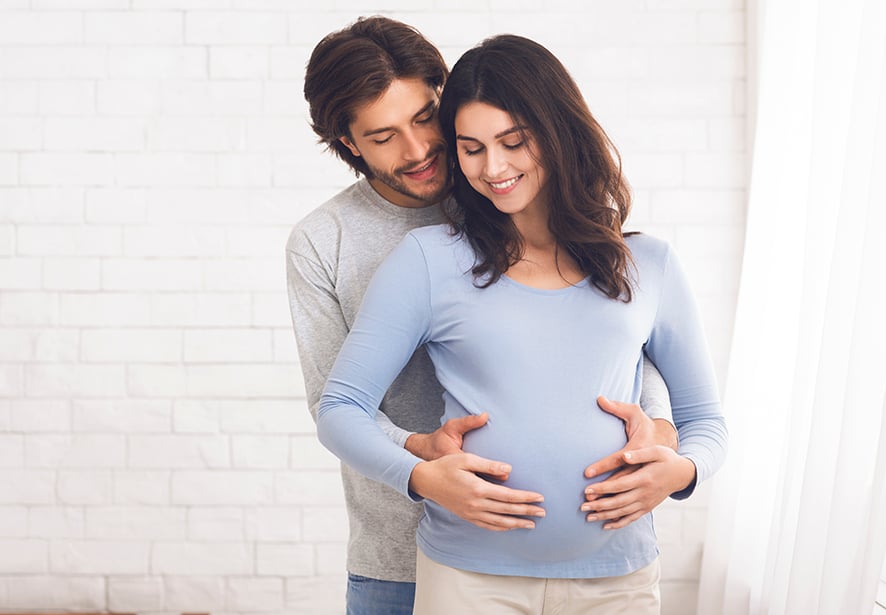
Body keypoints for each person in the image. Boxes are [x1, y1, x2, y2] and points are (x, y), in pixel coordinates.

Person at [313, 33, 728, 614]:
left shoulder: (648, 263)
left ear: (559, 132)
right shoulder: (430, 260)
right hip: (470, 578)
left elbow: (705, 420)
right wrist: (421, 476)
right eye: (471, 148)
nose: (494, 168)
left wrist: (679, 472)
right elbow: (339, 408)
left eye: (513, 142)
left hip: (619, 580)